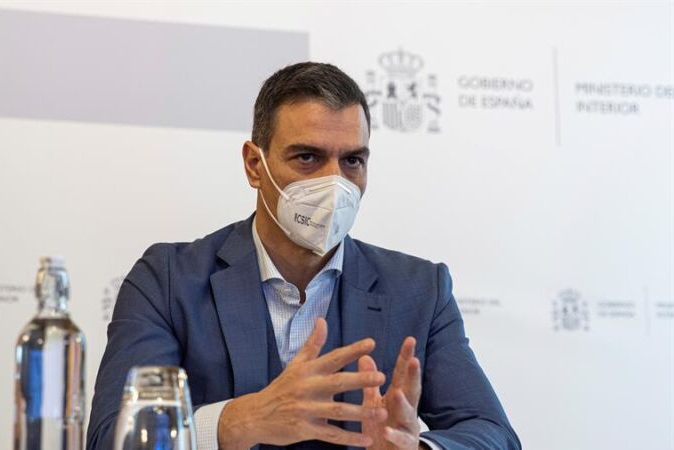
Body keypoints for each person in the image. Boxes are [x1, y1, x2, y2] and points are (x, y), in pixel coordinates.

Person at [87, 62, 521, 450]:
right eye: (308, 157)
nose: (335, 182)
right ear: (254, 165)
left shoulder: (419, 290)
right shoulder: (167, 281)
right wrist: (239, 421)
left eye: (352, 161)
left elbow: (493, 434)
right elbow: (111, 436)